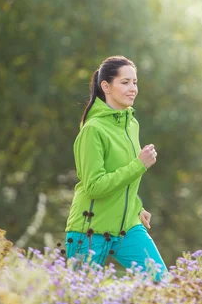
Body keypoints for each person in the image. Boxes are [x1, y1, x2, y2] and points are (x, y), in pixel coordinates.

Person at [64, 56, 167, 281]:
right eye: (125, 82)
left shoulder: (132, 124)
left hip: (128, 228)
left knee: (163, 284)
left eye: (135, 82)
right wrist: (140, 165)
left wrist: (136, 207)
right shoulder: (93, 129)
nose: (133, 89)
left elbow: (123, 177)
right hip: (90, 231)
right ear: (106, 86)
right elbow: (94, 187)